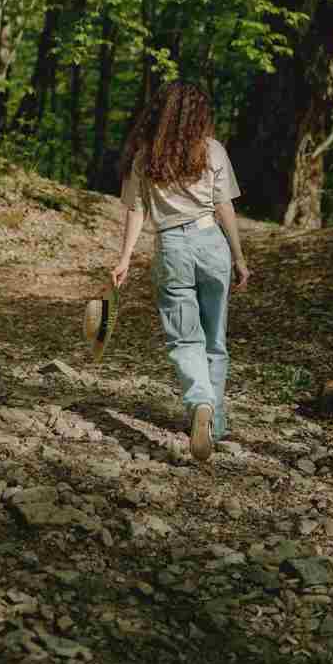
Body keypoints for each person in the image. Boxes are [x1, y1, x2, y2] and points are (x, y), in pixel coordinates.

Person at [111, 81, 250, 463]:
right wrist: (238, 257)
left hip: (172, 246)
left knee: (184, 339)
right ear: (199, 115)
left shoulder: (145, 156)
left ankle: (200, 402)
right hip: (211, 242)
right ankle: (214, 421)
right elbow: (224, 208)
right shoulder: (212, 150)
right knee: (215, 340)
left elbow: (136, 210)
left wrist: (124, 259)